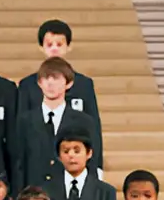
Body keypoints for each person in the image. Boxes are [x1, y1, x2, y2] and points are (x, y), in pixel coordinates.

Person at [18, 58, 105, 187]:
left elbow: (91, 162)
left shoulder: (84, 121)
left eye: (56, 78)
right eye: (46, 79)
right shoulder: (25, 121)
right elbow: (18, 163)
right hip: (34, 195)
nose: (50, 84)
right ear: (39, 83)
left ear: (68, 84)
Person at [18, 20, 100, 117]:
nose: (54, 49)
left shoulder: (84, 84)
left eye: (59, 44)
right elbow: (21, 124)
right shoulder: (28, 85)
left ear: (68, 46)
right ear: (41, 47)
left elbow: (93, 125)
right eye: (49, 45)